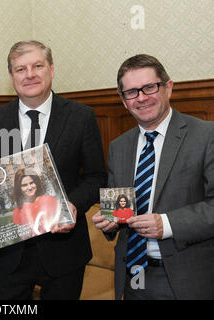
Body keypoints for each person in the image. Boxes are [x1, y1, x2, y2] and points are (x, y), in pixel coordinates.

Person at [0, 40, 107, 299]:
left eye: (37, 66)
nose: (30, 74)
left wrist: (72, 205)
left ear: (52, 69)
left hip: (65, 250)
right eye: (21, 69)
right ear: (11, 76)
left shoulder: (82, 116)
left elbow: (97, 177)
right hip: (12, 252)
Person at [92, 54, 214, 300]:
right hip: (133, 276)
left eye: (149, 87)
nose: (141, 98)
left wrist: (166, 224)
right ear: (123, 101)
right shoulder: (118, 147)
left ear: (168, 87)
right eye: (132, 92)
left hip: (186, 278)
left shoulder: (206, 136)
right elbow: (118, 206)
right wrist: (109, 221)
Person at [12, 168, 59, 235]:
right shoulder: (17, 211)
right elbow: (22, 236)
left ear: (36, 183)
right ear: (19, 188)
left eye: (31, 183)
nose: (30, 187)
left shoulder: (50, 199)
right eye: (24, 185)